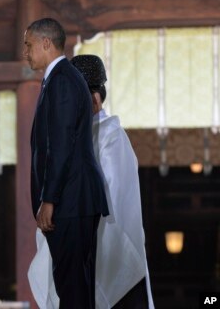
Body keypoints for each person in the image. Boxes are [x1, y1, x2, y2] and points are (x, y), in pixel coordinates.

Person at [28, 55, 155, 308]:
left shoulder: (111, 136)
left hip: (108, 242)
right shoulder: (72, 137)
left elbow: (115, 199)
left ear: (94, 99)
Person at [25, 18, 109, 308]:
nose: (26, 52)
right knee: (77, 289)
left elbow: (59, 146)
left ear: (46, 43)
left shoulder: (62, 79)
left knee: (72, 289)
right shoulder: (61, 78)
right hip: (75, 199)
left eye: (29, 45)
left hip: (70, 201)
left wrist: (49, 199)